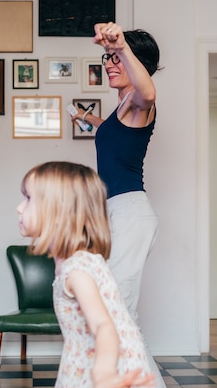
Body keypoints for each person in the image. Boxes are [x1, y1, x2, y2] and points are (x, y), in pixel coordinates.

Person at [70, 22, 165, 387]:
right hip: (116, 214)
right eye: (107, 57)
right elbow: (111, 133)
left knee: (117, 312)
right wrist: (87, 118)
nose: (109, 63)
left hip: (130, 213)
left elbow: (150, 91)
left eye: (117, 58)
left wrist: (122, 44)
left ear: (136, 61)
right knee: (117, 311)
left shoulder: (141, 103)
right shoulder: (122, 106)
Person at [16, 161, 154, 388]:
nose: (19, 208)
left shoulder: (77, 268)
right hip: (83, 357)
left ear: (59, 212)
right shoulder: (71, 261)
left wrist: (104, 374)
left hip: (106, 366)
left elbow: (103, 326)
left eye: (29, 199)